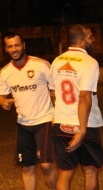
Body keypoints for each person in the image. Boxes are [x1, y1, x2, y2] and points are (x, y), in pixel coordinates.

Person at [49, 24, 103, 190]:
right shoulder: (89, 62)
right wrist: (81, 130)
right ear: (80, 42)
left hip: (60, 123)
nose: (93, 39)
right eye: (89, 36)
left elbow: (53, 93)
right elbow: (85, 96)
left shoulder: (57, 61)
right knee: (90, 170)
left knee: (65, 172)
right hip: (86, 123)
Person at [0, 32, 57, 190]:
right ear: (6, 49)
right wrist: (3, 101)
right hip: (23, 124)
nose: (14, 49)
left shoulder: (41, 65)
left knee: (46, 165)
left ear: (24, 45)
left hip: (44, 120)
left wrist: (57, 113)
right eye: (10, 46)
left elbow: (54, 90)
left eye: (17, 45)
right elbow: (1, 95)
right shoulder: (5, 73)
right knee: (27, 167)